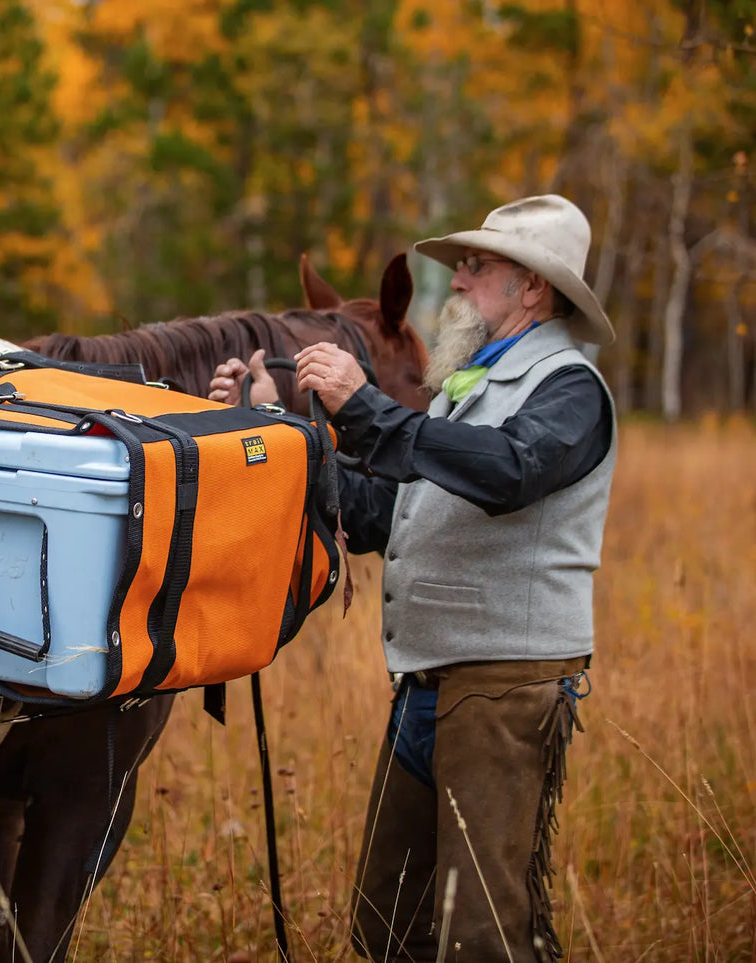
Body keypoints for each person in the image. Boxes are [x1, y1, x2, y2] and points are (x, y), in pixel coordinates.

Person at [209, 195, 616, 962]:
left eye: (474, 266)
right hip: (427, 685)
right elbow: (378, 514)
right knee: (387, 919)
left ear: (531, 287)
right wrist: (275, 430)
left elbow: (507, 472)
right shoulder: (469, 389)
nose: (455, 283)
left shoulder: (568, 389)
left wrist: (362, 407)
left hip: (500, 688)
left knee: (482, 935)